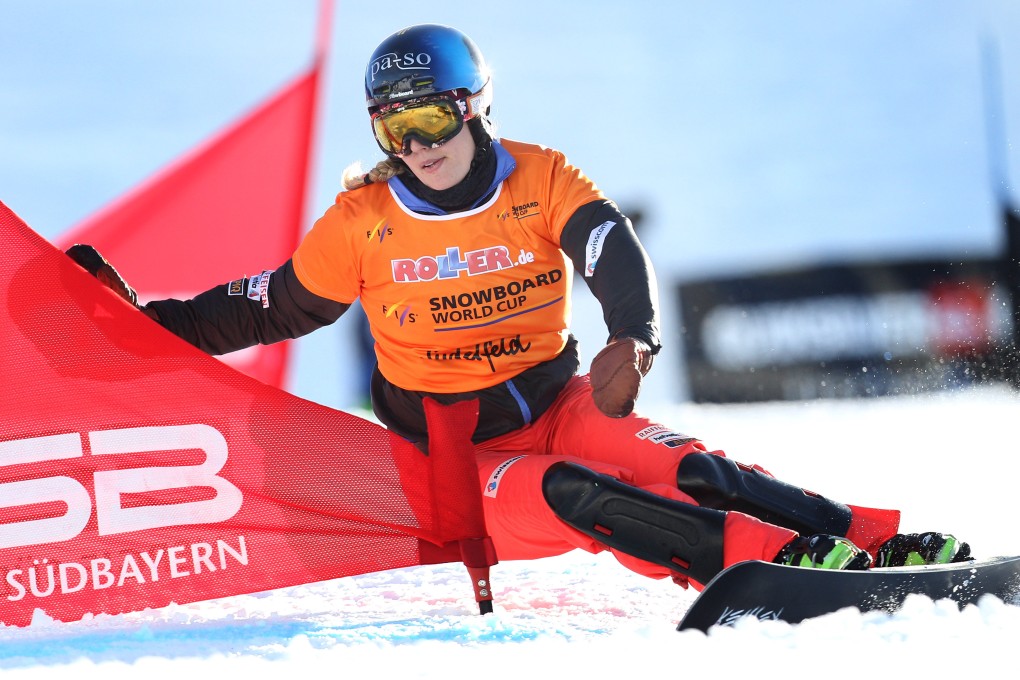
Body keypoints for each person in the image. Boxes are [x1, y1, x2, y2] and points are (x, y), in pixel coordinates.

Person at [68, 24, 970, 590]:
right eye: (394, 128)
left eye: (432, 118)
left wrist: (635, 336)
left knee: (686, 467)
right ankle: (759, 568)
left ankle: (875, 543)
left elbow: (609, 244)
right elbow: (269, 310)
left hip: (560, 404)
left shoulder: (537, 178)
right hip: (454, 458)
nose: (418, 145)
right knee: (581, 494)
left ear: (476, 108)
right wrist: (139, 318)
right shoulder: (362, 222)